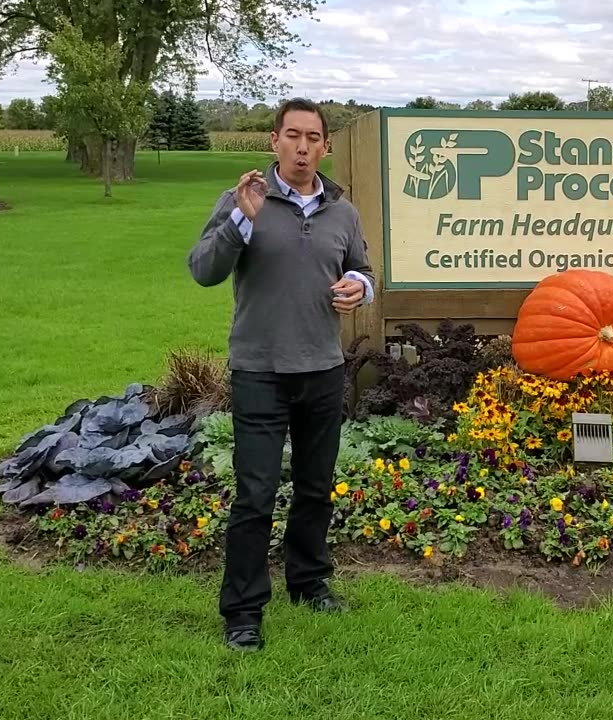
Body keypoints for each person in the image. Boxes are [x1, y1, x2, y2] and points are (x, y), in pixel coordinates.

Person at [188, 98, 375, 652]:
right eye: (291, 135)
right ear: (274, 141)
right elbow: (203, 271)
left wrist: (358, 288)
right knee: (255, 494)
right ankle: (243, 611)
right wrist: (241, 221)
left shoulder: (342, 210)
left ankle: (309, 582)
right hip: (260, 371)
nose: (302, 146)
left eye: (312, 137)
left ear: (325, 147)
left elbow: (361, 268)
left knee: (316, 488)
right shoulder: (242, 199)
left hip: (322, 368)